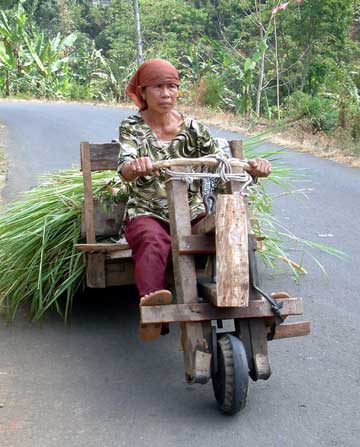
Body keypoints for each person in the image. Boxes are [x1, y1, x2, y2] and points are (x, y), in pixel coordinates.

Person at [117, 58, 271, 341]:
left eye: (172, 87)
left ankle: (254, 301)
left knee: (230, 231)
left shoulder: (193, 129)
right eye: (158, 87)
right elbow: (125, 161)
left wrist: (253, 166)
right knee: (151, 241)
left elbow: (222, 161)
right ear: (143, 92)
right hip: (147, 210)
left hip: (192, 210)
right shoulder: (132, 127)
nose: (166, 94)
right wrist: (133, 166)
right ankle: (152, 310)